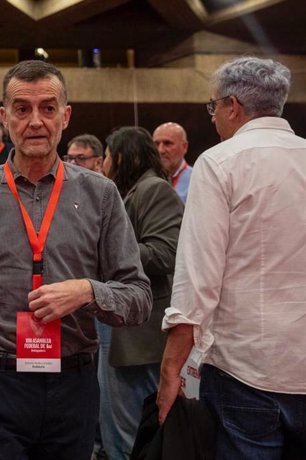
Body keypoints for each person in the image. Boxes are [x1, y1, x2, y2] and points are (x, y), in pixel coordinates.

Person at [0, 60, 152, 460]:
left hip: (74, 386)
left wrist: (87, 291)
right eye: (22, 109)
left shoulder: (101, 195)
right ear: (4, 119)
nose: (35, 121)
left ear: (65, 116)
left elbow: (138, 298)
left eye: (48, 108)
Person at [157, 56, 306, 459]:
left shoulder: (220, 161)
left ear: (233, 106)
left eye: (213, 107)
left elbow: (197, 279)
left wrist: (171, 369)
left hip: (246, 368)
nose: (213, 117)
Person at [99, 127, 183, 460]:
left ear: (120, 156)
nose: (103, 163)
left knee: (130, 434)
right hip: (123, 324)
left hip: (140, 331)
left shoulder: (153, 189)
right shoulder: (133, 191)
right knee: (119, 428)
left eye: (105, 155)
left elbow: (165, 253)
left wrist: (105, 249)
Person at [152, 122, 192, 203]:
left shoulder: (197, 179)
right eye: (156, 144)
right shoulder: (148, 181)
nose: (160, 150)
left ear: (184, 147)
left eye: (167, 143)